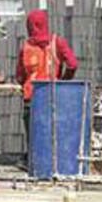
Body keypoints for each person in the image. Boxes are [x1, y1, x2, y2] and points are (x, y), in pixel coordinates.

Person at [15, 9, 78, 150]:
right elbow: (72, 64)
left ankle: (33, 165)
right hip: (52, 97)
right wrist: (63, 81)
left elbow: (19, 76)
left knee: (34, 141)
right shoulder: (57, 42)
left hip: (31, 99)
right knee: (52, 139)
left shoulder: (25, 48)